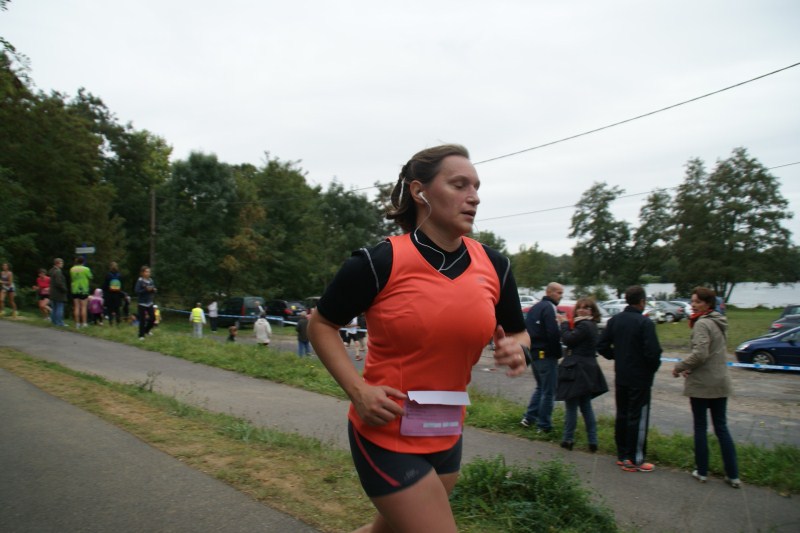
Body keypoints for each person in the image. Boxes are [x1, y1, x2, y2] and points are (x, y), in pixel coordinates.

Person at [308, 144, 530, 533]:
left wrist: (519, 348)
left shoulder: (496, 266)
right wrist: (358, 390)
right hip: (385, 432)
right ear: (419, 191)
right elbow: (320, 324)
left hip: (445, 430)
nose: (474, 197)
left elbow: (518, 332)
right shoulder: (379, 262)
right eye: (459, 185)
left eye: (476, 187)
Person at [672, 287, 741, 488]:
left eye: (697, 302)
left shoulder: (702, 323)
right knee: (721, 427)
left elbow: (700, 354)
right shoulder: (719, 321)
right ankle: (733, 474)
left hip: (703, 385)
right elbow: (710, 354)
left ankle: (702, 471)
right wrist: (691, 367)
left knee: (701, 427)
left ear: (708, 304)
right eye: (692, 301)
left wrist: (680, 367)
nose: (693, 305)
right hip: (720, 382)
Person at [598, 285, 663, 473]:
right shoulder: (645, 323)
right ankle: (635, 459)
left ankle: (622, 455)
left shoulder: (615, 321)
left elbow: (601, 346)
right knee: (637, 417)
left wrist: (616, 356)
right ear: (642, 302)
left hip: (622, 375)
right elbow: (653, 353)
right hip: (640, 378)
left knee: (623, 414)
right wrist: (651, 370)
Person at [556, 297, 608, 452]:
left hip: (577, 369)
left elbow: (568, 339)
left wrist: (564, 324)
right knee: (585, 406)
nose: (582, 310)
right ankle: (592, 441)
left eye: (586, 307)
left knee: (572, 405)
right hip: (587, 368)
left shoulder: (584, 325)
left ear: (592, 311)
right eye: (579, 307)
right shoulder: (591, 325)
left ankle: (568, 439)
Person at [520, 281, 565, 432]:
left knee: (541, 387)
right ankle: (544, 425)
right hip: (546, 354)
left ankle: (529, 418)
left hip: (534, 354)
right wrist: (557, 353)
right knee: (549, 391)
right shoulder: (549, 308)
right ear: (549, 292)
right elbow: (552, 333)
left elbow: (526, 329)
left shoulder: (534, 308)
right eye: (559, 292)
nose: (561, 296)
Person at [134, 265, 157, 340]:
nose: (148, 273)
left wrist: (153, 290)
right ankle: (141, 335)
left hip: (149, 302)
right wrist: (145, 290)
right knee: (142, 320)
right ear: (142, 273)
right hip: (142, 303)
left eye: (149, 272)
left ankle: (146, 330)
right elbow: (137, 291)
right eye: (146, 272)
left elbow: (153, 288)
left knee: (153, 318)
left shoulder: (151, 280)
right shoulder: (140, 281)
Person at [70, 256, 93, 328]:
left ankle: (77, 323)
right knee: (83, 307)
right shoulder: (86, 269)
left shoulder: (72, 269)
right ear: (83, 261)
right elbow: (90, 277)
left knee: (76, 306)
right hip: (83, 289)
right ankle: (84, 323)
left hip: (75, 289)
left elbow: (72, 278)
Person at [102, 261, 124, 326]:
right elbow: (122, 285)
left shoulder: (108, 275)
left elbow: (105, 286)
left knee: (110, 309)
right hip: (117, 294)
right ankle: (118, 321)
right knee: (117, 309)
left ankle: (111, 322)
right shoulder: (119, 275)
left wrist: (105, 292)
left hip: (109, 294)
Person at [49, 258, 67, 326]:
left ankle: (54, 321)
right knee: (59, 307)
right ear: (57, 263)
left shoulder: (52, 271)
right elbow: (59, 283)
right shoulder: (58, 272)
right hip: (58, 293)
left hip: (53, 292)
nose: (62, 264)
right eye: (61, 263)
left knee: (54, 308)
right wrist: (64, 289)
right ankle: (59, 322)